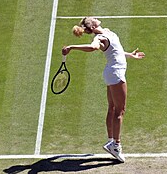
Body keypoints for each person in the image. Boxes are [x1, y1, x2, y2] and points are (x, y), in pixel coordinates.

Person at [62, 17, 145, 163]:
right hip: (115, 73)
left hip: (112, 72)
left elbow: (116, 51)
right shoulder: (100, 37)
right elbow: (93, 47)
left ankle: (111, 141)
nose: (96, 18)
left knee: (112, 108)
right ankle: (116, 145)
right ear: (93, 26)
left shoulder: (106, 32)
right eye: (93, 19)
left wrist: (130, 55)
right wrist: (72, 47)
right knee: (120, 110)